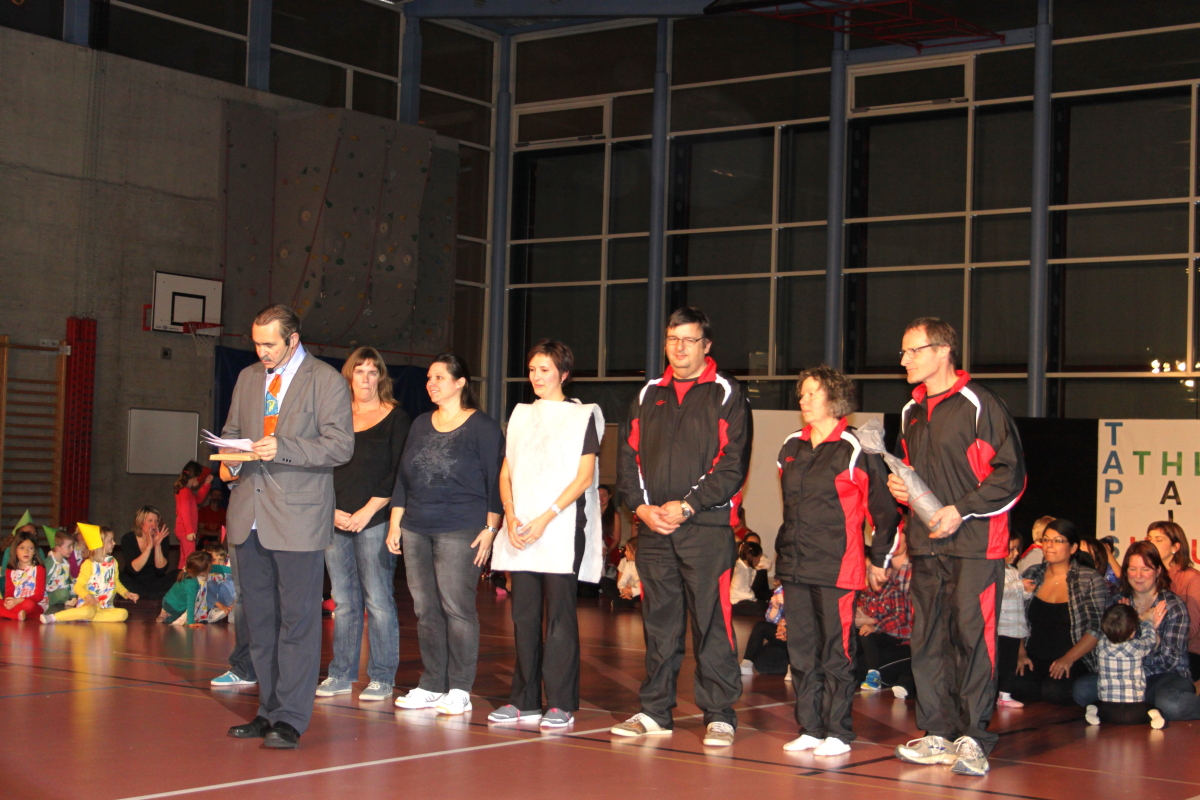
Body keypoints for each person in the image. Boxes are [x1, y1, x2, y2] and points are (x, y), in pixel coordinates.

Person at [888, 317, 1025, 777]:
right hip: (927, 546)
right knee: (928, 640)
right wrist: (902, 489)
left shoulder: (979, 404)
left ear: (943, 350)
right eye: (903, 352)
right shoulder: (911, 411)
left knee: (973, 640)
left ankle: (973, 739)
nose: (904, 360)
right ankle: (938, 733)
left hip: (975, 545)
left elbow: (1010, 475)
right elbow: (912, 472)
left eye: (914, 350)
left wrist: (961, 510)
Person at [613, 306, 752, 748]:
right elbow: (628, 458)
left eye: (689, 340)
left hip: (706, 529)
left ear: (706, 346)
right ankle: (655, 711)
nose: (680, 348)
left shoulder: (726, 392)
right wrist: (642, 509)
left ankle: (720, 714)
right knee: (659, 625)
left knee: (712, 624)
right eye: (673, 339)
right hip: (654, 530)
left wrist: (688, 506)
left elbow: (732, 463)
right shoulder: (648, 394)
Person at [218, 303, 354, 749]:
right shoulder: (248, 378)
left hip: (298, 517)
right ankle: (268, 710)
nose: (261, 352)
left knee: (297, 621)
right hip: (249, 515)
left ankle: (291, 718)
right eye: (256, 344)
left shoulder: (326, 380)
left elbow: (340, 446)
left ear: (293, 340)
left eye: (269, 344)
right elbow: (232, 431)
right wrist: (228, 462)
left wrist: (284, 447)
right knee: (259, 621)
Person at [776, 365, 900, 756]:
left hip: (837, 566)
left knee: (837, 651)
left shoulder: (854, 447)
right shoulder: (790, 447)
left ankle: (838, 732)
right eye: (802, 393)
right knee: (801, 650)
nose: (804, 399)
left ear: (834, 398)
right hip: (795, 565)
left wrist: (879, 558)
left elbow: (884, 511)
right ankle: (811, 728)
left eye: (813, 393)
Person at [489, 340, 604, 728]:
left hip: (560, 529)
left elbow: (584, 477)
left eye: (545, 370)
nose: (536, 377)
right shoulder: (521, 416)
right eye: (532, 369)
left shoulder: (582, 416)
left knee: (559, 618)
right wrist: (510, 514)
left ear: (563, 374)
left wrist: (547, 517)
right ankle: (523, 700)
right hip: (522, 527)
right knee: (523, 616)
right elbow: (506, 472)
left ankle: (559, 702)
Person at [387, 353, 503, 716]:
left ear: (460, 382)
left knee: (457, 607)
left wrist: (491, 528)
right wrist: (395, 521)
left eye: (439, 377)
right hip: (416, 526)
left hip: (461, 526)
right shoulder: (421, 423)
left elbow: (496, 481)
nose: (431, 383)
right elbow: (403, 477)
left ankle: (460, 688)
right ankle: (432, 684)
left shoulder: (482, 427)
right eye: (429, 378)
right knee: (425, 610)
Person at [317, 347, 411, 704]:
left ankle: (382, 678)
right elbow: (320, 466)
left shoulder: (396, 417)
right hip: (335, 519)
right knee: (343, 601)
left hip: (375, 519)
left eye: (373, 372)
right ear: (349, 376)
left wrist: (368, 511)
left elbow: (398, 471)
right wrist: (331, 510)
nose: (366, 379)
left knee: (379, 600)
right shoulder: (334, 417)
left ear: (381, 377)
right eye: (360, 371)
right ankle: (341, 674)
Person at [1072, 541, 1200, 721]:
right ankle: (1143, 708)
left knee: (1172, 704)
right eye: (1132, 569)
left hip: (1163, 677)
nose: (1138, 576)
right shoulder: (1117, 603)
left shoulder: (1172, 606)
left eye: (1145, 569)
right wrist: (1138, 624)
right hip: (1122, 677)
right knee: (1082, 690)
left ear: (1158, 571)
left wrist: (1152, 638)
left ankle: (1136, 705)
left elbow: (1172, 661)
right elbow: (1104, 648)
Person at [1010, 520, 1106, 705]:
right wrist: (1020, 653)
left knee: (1055, 691)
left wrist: (1068, 659)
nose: (1050, 545)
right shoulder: (1032, 573)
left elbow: (1096, 627)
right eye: (1046, 539)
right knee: (1015, 685)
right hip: (1034, 656)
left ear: (1073, 548)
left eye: (1058, 540)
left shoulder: (1089, 579)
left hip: (1074, 658)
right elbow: (1016, 616)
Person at [1084, 603, 1167, 729]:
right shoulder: (1136, 647)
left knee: (1095, 704)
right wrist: (1146, 621)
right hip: (1134, 710)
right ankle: (1154, 715)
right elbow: (1150, 640)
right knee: (1151, 708)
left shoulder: (1101, 645)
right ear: (1133, 632)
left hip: (1107, 709)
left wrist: (1125, 617)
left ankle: (1092, 711)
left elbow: (1110, 632)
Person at [856, 534, 915, 699]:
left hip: (896, 637)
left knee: (867, 635)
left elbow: (900, 616)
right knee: (856, 637)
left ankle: (875, 674)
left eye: (871, 570)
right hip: (879, 636)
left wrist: (874, 624)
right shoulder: (867, 592)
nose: (869, 574)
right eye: (866, 571)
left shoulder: (893, 590)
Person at [42, 526, 139, 623]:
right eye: (110, 540)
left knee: (123, 614)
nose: (114, 543)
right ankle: (55, 617)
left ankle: (88, 617)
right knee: (89, 611)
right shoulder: (89, 564)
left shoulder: (113, 562)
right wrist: (88, 596)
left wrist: (126, 593)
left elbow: (115, 582)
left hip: (104, 606)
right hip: (88, 604)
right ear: (100, 544)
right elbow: (78, 586)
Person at [1144, 521, 1200, 680]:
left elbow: (1192, 627)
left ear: (1175, 547)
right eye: (1149, 539)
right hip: (1148, 648)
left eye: (1159, 540)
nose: (1152, 544)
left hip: (1186, 651)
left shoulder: (1191, 578)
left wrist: (1160, 638)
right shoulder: (1145, 576)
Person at [996, 533, 1031, 708]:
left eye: (1017, 549)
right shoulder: (993, 571)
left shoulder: (1014, 571)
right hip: (1001, 627)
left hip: (1015, 627)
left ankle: (1005, 694)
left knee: (1010, 662)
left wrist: (1028, 590)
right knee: (999, 662)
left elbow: (1021, 596)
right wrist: (1020, 586)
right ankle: (993, 692)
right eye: (1011, 549)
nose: (1016, 553)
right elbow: (998, 591)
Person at [119, 507, 175, 599]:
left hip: (155, 582)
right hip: (134, 581)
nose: (154, 524)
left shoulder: (162, 538)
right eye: (150, 521)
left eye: (156, 521)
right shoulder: (128, 538)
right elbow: (134, 569)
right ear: (140, 523)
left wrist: (157, 545)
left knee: (179, 573)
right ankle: (151, 595)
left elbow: (161, 571)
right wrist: (149, 547)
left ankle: (144, 594)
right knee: (117, 575)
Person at [741, 584, 789, 675]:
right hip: (783, 635)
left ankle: (793, 669)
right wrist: (775, 608)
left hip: (801, 637)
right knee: (761, 626)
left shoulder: (806, 590)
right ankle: (747, 664)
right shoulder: (780, 590)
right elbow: (770, 619)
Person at [174, 461, 213, 569]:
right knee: (189, 558)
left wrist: (206, 484)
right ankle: (188, 576)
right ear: (196, 477)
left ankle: (181, 576)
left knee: (184, 559)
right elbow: (184, 512)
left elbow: (198, 500)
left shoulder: (186, 491)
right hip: (185, 530)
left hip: (184, 530)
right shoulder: (185, 491)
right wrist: (189, 531)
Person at [159, 551, 214, 627]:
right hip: (173, 606)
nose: (211, 568)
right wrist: (191, 622)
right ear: (202, 570)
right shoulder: (191, 583)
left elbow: (216, 568)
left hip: (168, 601)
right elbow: (190, 602)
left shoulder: (189, 572)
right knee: (183, 615)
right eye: (210, 567)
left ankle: (165, 612)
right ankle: (169, 617)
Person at [1, 531, 45, 621]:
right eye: (22, 548)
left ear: (34, 551)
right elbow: (9, 592)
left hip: (34, 605)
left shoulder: (39, 569)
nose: (26, 551)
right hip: (15, 604)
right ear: (15, 551)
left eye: (30, 548)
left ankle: (8, 614)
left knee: (29, 604)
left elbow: (38, 596)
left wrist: (18, 601)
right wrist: (8, 601)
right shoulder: (10, 570)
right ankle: (16, 615)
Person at [44, 529, 78, 613]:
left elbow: (68, 580)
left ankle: (70, 599)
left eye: (72, 546)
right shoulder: (49, 562)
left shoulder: (65, 562)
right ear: (58, 547)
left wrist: (74, 594)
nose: (72, 549)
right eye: (69, 546)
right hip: (51, 594)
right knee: (64, 593)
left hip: (64, 590)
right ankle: (65, 600)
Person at [203, 541, 235, 622]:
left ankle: (232, 609)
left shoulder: (226, 572)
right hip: (210, 602)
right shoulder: (205, 572)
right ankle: (211, 611)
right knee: (210, 584)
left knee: (228, 582)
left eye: (220, 560)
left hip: (225, 600)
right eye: (213, 560)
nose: (217, 563)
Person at [612, 537, 641, 609]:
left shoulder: (647, 566)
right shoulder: (629, 564)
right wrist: (625, 591)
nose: (625, 552)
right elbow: (621, 581)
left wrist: (633, 591)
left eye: (627, 550)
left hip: (641, 593)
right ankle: (633, 603)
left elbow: (649, 588)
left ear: (635, 551)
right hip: (631, 592)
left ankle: (636, 603)